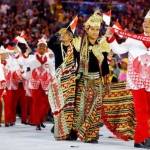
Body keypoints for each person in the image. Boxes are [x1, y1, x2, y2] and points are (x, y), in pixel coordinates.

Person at [106, 9, 150, 148]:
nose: (147, 25)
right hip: (137, 81)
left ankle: (142, 138)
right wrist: (110, 38)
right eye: (145, 22)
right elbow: (119, 50)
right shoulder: (133, 39)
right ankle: (142, 139)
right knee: (141, 111)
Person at [72, 10, 111, 143]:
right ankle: (76, 132)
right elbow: (73, 63)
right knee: (80, 109)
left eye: (97, 29)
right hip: (82, 81)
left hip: (96, 81)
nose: (95, 32)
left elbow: (105, 68)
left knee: (94, 110)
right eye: (93, 29)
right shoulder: (78, 43)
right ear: (87, 30)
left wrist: (101, 58)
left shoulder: (102, 44)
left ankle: (91, 134)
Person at [48, 28, 80, 140]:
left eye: (66, 34)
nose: (63, 36)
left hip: (71, 79)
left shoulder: (75, 48)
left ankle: (70, 130)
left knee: (70, 105)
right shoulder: (57, 47)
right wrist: (58, 32)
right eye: (63, 34)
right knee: (59, 103)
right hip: (59, 79)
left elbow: (79, 62)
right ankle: (59, 126)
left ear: (70, 37)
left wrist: (77, 74)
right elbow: (49, 43)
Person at [28, 37, 55, 130]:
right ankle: (37, 122)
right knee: (36, 103)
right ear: (37, 48)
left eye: (44, 47)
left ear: (46, 49)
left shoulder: (49, 60)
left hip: (46, 84)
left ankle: (40, 119)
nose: (42, 49)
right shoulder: (32, 59)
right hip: (35, 84)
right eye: (40, 47)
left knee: (46, 104)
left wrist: (54, 80)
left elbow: (52, 71)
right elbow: (28, 71)